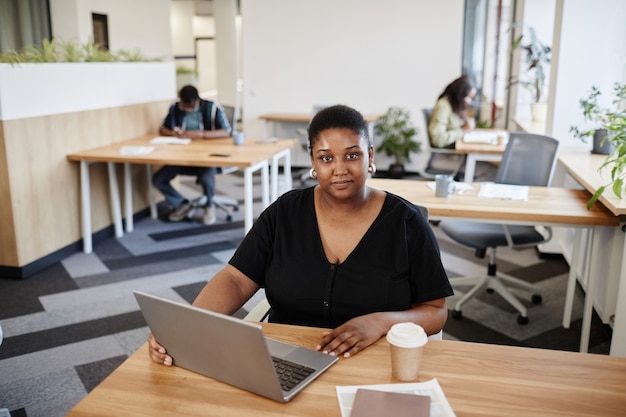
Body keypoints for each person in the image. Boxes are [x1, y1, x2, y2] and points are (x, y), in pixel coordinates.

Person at [148, 104, 453, 364]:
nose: (339, 169)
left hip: (375, 360)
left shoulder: (406, 222)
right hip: (286, 359)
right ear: (312, 162)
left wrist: (382, 322)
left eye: (351, 155)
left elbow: (436, 311)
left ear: (369, 156)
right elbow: (236, 280)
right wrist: (184, 327)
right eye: (326, 158)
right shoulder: (285, 214)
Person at [152, 85, 232, 225]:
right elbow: (162, 129)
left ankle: (209, 206)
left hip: (208, 155)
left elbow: (226, 132)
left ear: (197, 100)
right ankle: (183, 204)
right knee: (159, 179)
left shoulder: (211, 107)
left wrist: (201, 134)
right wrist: (173, 133)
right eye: (185, 106)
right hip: (183, 155)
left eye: (191, 106)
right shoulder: (176, 108)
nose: (188, 109)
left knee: (206, 176)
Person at [429, 75, 477, 148]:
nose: (469, 101)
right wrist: (463, 131)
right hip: (448, 154)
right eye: (467, 96)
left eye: (471, 98)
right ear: (459, 94)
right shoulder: (443, 106)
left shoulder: (455, 106)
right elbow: (438, 139)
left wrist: (465, 125)